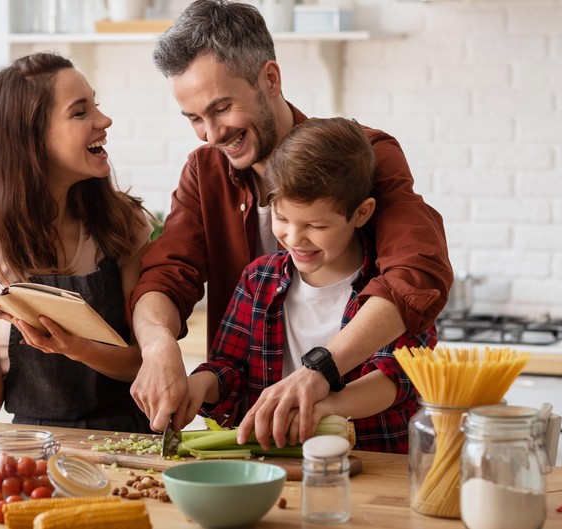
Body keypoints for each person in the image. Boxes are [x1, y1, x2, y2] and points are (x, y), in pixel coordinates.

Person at [127, 0, 453, 448]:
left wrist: (319, 373)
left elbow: (416, 273)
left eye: (221, 108)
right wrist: (159, 344)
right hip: (260, 448)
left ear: (270, 78)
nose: (211, 133)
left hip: (369, 445)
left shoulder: (364, 155)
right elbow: (166, 276)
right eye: (194, 119)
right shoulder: (205, 171)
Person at [0, 52, 154, 433]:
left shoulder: (122, 225)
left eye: (95, 105)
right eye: (80, 112)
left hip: (128, 438)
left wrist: (75, 347)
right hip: (33, 447)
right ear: (31, 137)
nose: (104, 120)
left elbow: (143, 363)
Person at [187, 118, 437, 453]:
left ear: (361, 213)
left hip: (376, 464)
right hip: (280, 468)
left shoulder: (390, 288)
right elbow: (229, 369)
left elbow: (399, 377)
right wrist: (198, 385)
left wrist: (325, 407)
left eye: (316, 225)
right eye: (282, 218)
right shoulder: (258, 279)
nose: (293, 238)